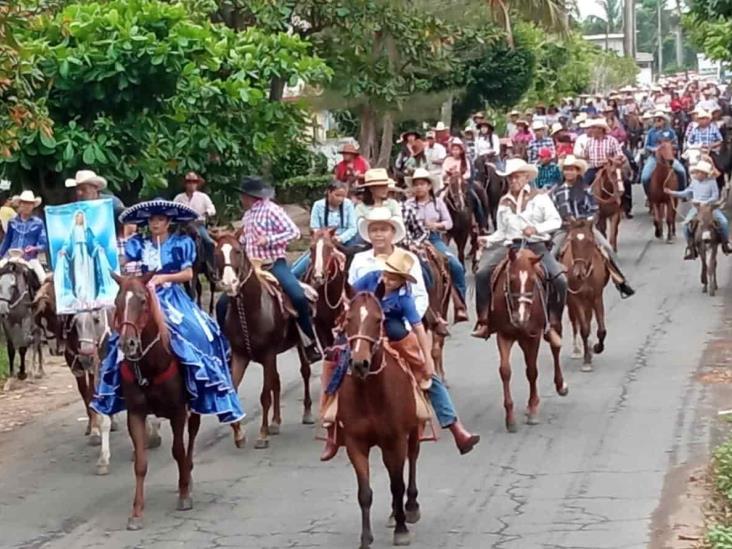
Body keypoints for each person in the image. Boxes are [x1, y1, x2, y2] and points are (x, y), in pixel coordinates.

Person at [319, 208, 479, 460]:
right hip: (363, 323)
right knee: (333, 358)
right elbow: (350, 295)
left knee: (422, 366)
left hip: (396, 320)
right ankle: (330, 428)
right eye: (374, 229)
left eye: (383, 229)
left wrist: (410, 323)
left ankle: (454, 425)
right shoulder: (361, 261)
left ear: (393, 233)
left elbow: (419, 296)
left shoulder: (408, 260)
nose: (379, 234)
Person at [91, 199, 244, 424]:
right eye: (152, 220)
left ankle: (200, 384)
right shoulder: (138, 244)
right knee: (119, 336)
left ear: (168, 222)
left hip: (172, 296)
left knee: (198, 332)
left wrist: (164, 277)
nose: (155, 224)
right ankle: (114, 388)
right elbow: (123, 263)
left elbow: (188, 274)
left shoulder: (180, 243)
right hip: (143, 296)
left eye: (160, 220)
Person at [227, 176, 322, 362]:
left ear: (250, 196)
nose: (241, 200)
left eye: (243, 196)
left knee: (297, 296)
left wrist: (268, 240)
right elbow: (246, 241)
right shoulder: (247, 216)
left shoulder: (272, 210)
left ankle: (309, 342)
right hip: (250, 268)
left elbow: (293, 232)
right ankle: (229, 345)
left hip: (273, 263)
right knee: (226, 302)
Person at [471, 158, 566, 340]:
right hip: (512, 247)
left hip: (536, 246)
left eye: (517, 177)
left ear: (526, 177)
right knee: (482, 273)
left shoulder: (540, 197)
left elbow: (556, 221)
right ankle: (484, 320)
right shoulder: (504, 202)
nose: (513, 181)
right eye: (510, 178)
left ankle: (553, 322)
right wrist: (488, 240)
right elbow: (501, 232)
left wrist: (536, 229)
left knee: (559, 280)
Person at [550, 156, 635, 298]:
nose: (569, 173)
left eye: (572, 170)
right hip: (565, 228)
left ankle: (620, 280)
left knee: (607, 248)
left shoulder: (585, 190)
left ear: (578, 172)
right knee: (553, 252)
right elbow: (554, 210)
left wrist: (588, 220)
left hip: (585, 227)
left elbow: (594, 208)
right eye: (566, 170)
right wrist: (567, 220)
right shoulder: (557, 192)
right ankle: (552, 286)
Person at [403, 168, 468, 321]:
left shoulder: (438, 203)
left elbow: (449, 223)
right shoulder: (407, 204)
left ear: (429, 186)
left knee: (456, 266)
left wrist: (436, 226)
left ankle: (460, 305)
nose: (419, 187)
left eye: (422, 184)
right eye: (416, 184)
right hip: (412, 239)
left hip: (433, 239)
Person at [291, 180, 358, 279]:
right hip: (323, 241)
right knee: (296, 271)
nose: (340, 199)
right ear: (329, 192)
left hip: (344, 242)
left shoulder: (348, 204)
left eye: (343, 196)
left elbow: (353, 227)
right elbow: (315, 227)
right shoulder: (318, 205)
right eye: (337, 195)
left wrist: (340, 238)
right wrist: (325, 237)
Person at [664, 160, 732, 258]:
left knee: (724, 222)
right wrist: (672, 193)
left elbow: (715, 195)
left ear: (704, 173)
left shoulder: (712, 182)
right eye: (696, 172)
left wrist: (707, 202)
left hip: (710, 208)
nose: (697, 174)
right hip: (696, 208)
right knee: (686, 225)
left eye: (699, 172)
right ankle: (691, 247)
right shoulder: (694, 182)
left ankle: (726, 243)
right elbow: (687, 192)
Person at [54, 210, 117, 311]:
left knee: (88, 278)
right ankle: (80, 299)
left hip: (87, 258)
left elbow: (94, 242)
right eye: (77, 217)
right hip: (77, 257)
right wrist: (64, 250)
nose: (79, 218)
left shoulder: (87, 231)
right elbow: (67, 243)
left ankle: (89, 298)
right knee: (79, 278)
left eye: (81, 217)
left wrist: (98, 248)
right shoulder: (72, 231)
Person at [0, 190, 47, 286]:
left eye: (30, 203)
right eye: (24, 203)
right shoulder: (12, 222)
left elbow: (44, 243)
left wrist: (34, 248)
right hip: (10, 257)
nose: (27, 206)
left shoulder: (38, 223)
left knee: (44, 281)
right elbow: (6, 241)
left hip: (29, 259)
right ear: (20, 204)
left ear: (33, 205)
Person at [173, 171, 216, 266]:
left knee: (209, 242)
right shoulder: (179, 198)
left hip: (198, 224)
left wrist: (207, 212)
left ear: (197, 184)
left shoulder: (203, 197)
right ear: (185, 184)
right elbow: (173, 210)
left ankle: (211, 266)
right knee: (171, 242)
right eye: (189, 182)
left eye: (194, 182)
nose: (191, 184)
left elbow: (212, 208)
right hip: (183, 225)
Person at [640, 112, 687, 193]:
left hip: (668, 157)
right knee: (645, 177)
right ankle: (649, 196)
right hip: (654, 157)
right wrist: (654, 149)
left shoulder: (671, 132)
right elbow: (647, 146)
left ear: (664, 121)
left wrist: (670, 147)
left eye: (659, 119)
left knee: (681, 171)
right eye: (655, 119)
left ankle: (682, 192)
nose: (657, 121)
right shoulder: (651, 132)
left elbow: (676, 144)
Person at [580, 118, 625, 185]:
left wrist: (610, 160)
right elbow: (586, 156)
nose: (591, 130)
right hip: (594, 169)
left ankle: (627, 195)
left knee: (625, 182)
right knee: (584, 184)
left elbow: (619, 154)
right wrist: (584, 155)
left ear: (600, 129)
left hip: (610, 168)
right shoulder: (589, 142)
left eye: (593, 128)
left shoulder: (612, 140)